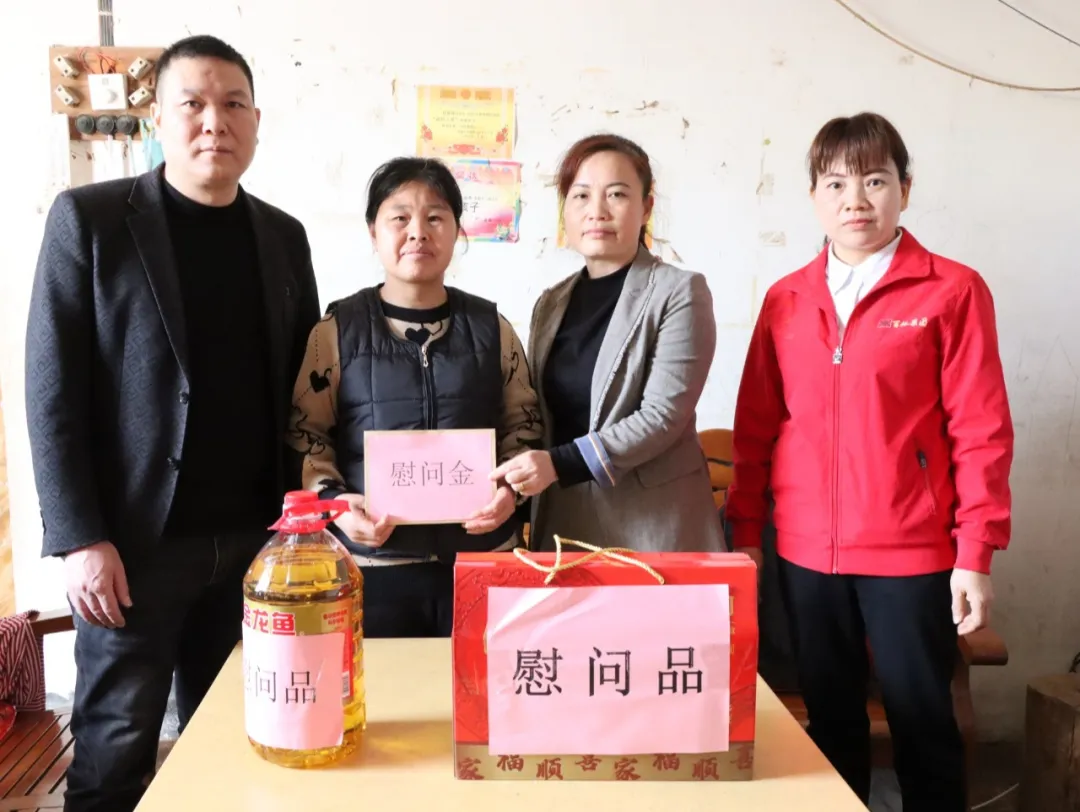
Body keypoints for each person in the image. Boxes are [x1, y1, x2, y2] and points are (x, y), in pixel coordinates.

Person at [24, 35, 320, 812]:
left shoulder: (283, 237)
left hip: (258, 546)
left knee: (236, 746)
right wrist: (81, 538)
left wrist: (311, 521)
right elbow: (52, 393)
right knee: (114, 752)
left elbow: (307, 393)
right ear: (158, 118)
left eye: (232, 104)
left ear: (256, 121)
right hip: (134, 549)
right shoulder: (91, 221)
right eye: (192, 103)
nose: (213, 121)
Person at [726, 111, 1013, 809]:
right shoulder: (786, 298)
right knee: (830, 727)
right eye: (835, 184)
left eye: (875, 181)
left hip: (910, 553)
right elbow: (755, 429)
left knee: (923, 725)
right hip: (804, 554)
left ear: (905, 189)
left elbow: (981, 430)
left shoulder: (951, 290)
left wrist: (975, 553)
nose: (855, 200)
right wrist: (747, 535)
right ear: (814, 197)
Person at [286, 156, 542, 637]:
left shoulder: (493, 328)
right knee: (384, 684)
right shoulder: (337, 331)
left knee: (481, 684)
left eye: (435, 217)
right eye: (400, 217)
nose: (418, 232)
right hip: (373, 565)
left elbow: (524, 427)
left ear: (457, 230)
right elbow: (307, 434)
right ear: (373, 231)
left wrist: (510, 493)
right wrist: (336, 506)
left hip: (482, 561)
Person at [491, 133, 724, 553]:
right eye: (581, 196)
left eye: (616, 194)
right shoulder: (551, 303)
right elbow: (538, 414)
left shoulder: (679, 292)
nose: (596, 211)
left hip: (653, 524)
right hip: (564, 520)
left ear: (646, 207)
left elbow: (662, 417)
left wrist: (558, 464)